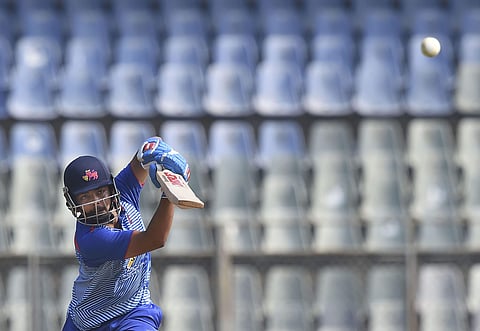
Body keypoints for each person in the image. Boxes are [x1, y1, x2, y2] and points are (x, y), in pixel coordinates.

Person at [61, 136, 190, 331]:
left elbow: (140, 161)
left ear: (110, 188)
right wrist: (169, 191)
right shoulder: (91, 238)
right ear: (73, 203)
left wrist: (150, 150)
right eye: (85, 197)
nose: (96, 202)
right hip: (88, 323)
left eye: (100, 192)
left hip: (134, 312)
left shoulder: (123, 192)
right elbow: (156, 239)